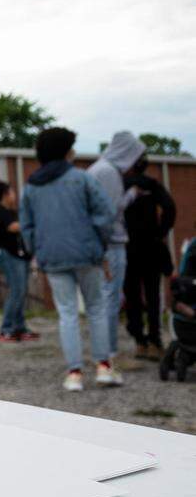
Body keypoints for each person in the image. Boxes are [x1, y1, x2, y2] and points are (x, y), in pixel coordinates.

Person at [20, 127, 116, 391]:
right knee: (96, 308)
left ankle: (74, 373)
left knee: (67, 314)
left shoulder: (31, 186)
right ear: (65, 151)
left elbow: (26, 226)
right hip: (87, 254)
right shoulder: (81, 178)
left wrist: (36, 250)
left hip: (51, 256)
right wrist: (100, 242)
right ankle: (104, 367)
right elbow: (106, 213)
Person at [87, 131, 147, 364]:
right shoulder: (109, 173)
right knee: (111, 299)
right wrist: (131, 195)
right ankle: (110, 353)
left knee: (102, 299)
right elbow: (111, 211)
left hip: (99, 243)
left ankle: (103, 351)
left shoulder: (95, 168)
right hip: (111, 244)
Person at [123, 156, 177, 358]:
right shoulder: (153, 185)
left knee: (132, 295)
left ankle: (139, 340)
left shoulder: (122, 185)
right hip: (151, 245)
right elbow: (170, 208)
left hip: (128, 246)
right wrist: (160, 231)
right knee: (153, 294)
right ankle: (155, 339)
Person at [0, 177, 37, 343]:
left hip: (20, 256)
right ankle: (6, 329)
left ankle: (19, 328)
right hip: (9, 257)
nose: (14, 195)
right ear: (5, 194)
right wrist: (32, 222)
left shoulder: (11, 212)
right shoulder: (0, 212)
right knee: (16, 292)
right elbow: (14, 227)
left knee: (20, 292)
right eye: (12, 192)